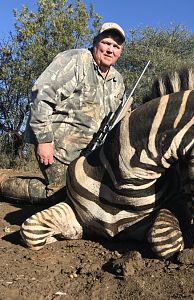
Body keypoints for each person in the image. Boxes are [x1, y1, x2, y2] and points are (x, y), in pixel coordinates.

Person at [0, 22, 126, 204]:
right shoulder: (76, 60)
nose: (110, 50)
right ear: (95, 41)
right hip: (58, 148)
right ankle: (3, 182)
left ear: (120, 52)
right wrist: (43, 140)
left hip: (89, 157)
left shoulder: (118, 81)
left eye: (116, 46)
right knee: (61, 196)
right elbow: (41, 94)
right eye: (106, 43)